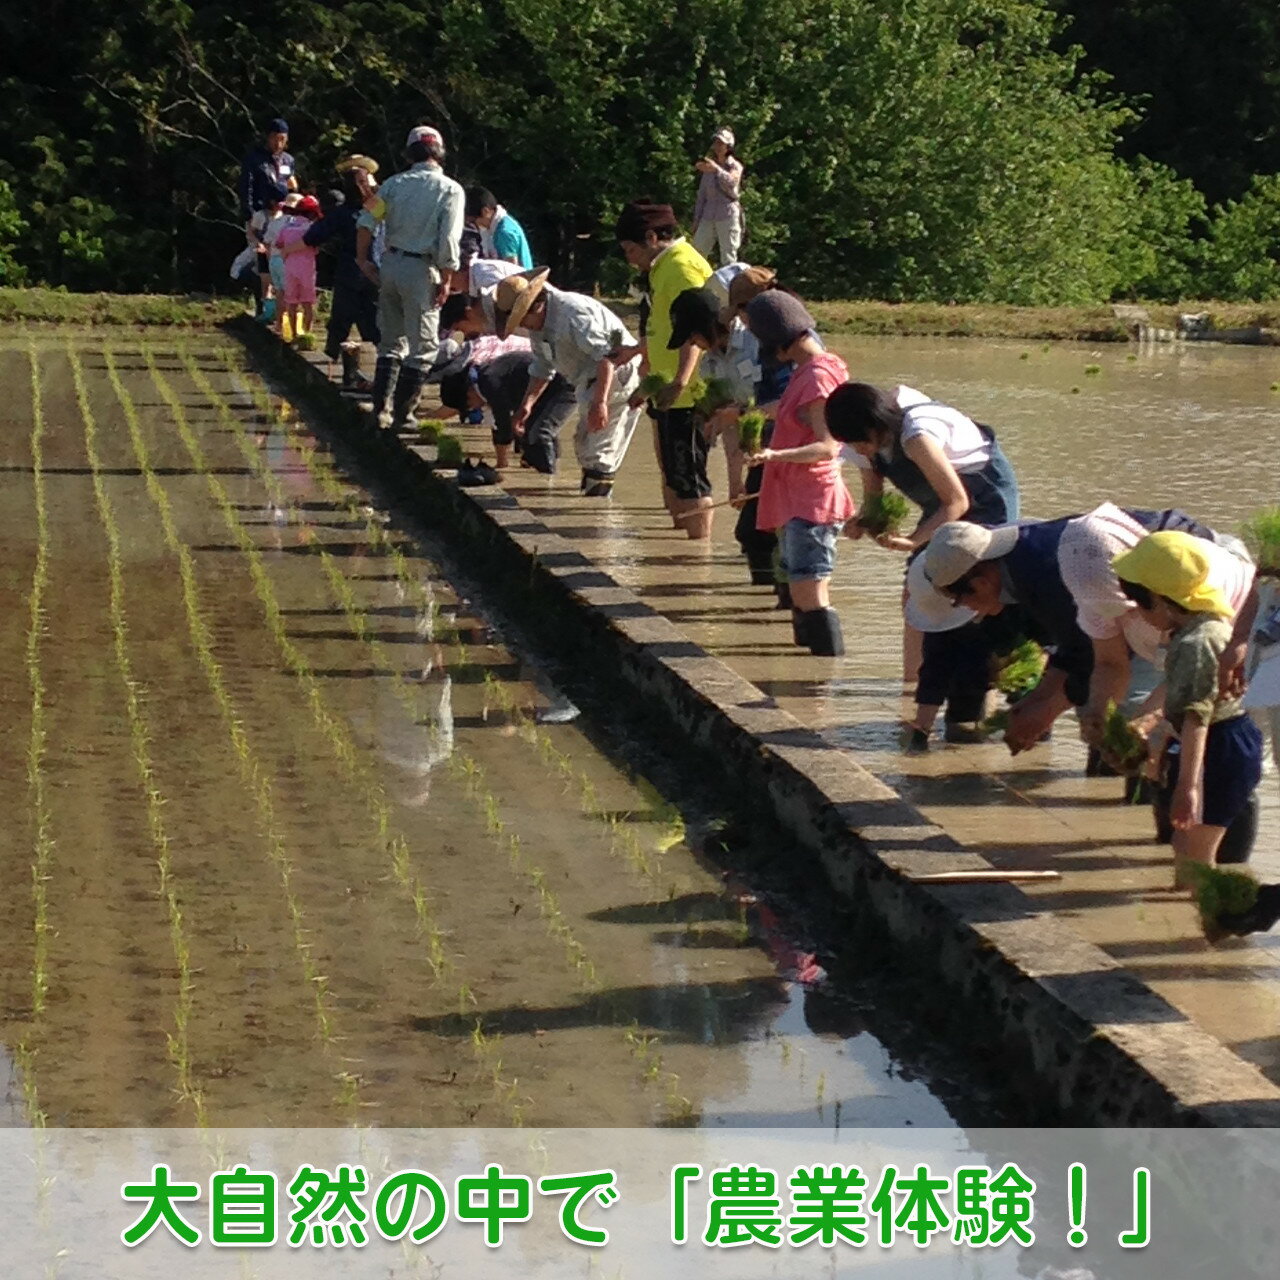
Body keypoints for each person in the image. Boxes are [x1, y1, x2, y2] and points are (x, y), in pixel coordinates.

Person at [906, 505, 1259, 756]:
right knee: (1114, 723)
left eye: (958, 601)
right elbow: (1095, 658)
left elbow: (1098, 657)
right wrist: (1087, 715)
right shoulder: (1023, 572)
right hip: (1171, 608)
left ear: (981, 581)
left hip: (1215, 587)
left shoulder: (1059, 574)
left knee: (1192, 735)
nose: (965, 611)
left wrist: (1050, 711)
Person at [825, 382, 1021, 743]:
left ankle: (983, 701)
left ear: (874, 427)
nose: (856, 450)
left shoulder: (916, 435)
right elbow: (873, 499)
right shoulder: (867, 447)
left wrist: (915, 542)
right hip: (941, 506)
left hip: (983, 498)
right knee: (916, 596)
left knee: (977, 601)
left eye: (858, 441)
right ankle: (917, 695)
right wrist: (863, 521)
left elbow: (956, 502)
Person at [1113, 532, 1264, 887]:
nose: (1134, 609)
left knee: (1195, 856)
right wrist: (1147, 726)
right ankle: (1190, 917)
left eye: (1138, 599)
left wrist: (1187, 788)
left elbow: (1197, 717)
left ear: (1162, 600)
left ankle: (1215, 922)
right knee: (1186, 848)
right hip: (1214, 742)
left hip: (1221, 746)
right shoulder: (1198, 626)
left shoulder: (1197, 642)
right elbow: (1178, 696)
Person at [743, 289, 854, 655]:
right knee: (803, 585)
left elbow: (827, 446)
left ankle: (824, 673)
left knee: (810, 589)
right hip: (799, 498)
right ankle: (812, 674)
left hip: (812, 500)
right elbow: (793, 410)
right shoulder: (815, 369)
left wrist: (774, 454)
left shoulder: (817, 378)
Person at [494, 267, 642, 496]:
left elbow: (608, 357)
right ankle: (593, 503)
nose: (523, 326)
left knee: (599, 453)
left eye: (523, 319)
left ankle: (597, 512)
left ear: (537, 305)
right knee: (583, 445)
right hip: (587, 380)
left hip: (616, 375)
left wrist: (600, 403)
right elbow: (542, 367)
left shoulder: (573, 314)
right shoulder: (538, 325)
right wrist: (527, 405)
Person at [615, 201, 714, 537]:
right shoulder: (661, 268)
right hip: (666, 388)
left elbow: (699, 330)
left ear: (651, 236)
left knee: (691, 480)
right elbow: (661, 328)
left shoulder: (683, 267)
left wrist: (681, 382)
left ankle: (697, 557)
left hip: (686, 394)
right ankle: (678, 546)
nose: (628, 258)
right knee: (673, 473)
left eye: (630, 249)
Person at [358, 125, 465, 429]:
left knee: (390, 342)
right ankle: (404, 413)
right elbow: (448, 241)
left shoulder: (392, 185)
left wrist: (363, 259)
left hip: (391, 264)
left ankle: (381, 409)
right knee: (424, 346)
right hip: (422, 269)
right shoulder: (450, 189)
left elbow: (366, 221)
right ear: (440, 153)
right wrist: (446, 278)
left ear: (411, 153)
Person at [665, 284, 771, 577]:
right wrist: (736, 482)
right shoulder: (711, 363)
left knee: (757, 532)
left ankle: (780, 595)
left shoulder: (754, 339)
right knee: (752, 533)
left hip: (788, 440)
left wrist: (739, 413)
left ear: (709, 326)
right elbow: (729, 425)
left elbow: (780, 399)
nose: (694, 345)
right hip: (758, 446)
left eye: (692, 336)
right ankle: (769, 595)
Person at [437, 343, 577, 475]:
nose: (475, 408)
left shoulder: (489, 383)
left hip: (565, 385)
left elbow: (503, 425)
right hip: (547, 388)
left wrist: (501, 465)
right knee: (536, 431)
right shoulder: (486, 375)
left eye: (469, 406)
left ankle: (548, 480)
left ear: (468, 393)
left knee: (542, 432)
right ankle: (548, 469)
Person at [303, 161, 382, 389]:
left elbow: (313, 236)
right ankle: (361, 375)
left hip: (359, 274)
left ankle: (336, 373)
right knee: (370, 326)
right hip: (368, 275)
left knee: (345, 323)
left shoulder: (346, 213)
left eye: (363, 182)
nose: (362, 187)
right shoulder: (374, 209)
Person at [238, 118, 298, 316]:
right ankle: (261, 303)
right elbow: (246, 186)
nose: (278, 143)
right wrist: (248, 212)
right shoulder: (255, 159)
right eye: (275, 138)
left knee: (279, 259)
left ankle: (277, 306)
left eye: (282, 139)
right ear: (268, 137)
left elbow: (292, 185)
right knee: (261, 258)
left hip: (282, 215)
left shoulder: (288, 160)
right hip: (259, 213)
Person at [692, 128, 744, 266]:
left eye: (721, 143)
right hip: (708, 216)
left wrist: (717, 170)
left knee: (728, 256)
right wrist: (696, 220)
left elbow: (732, 181)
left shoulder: (735, 166)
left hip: (727, 215)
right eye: (716, 142)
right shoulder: (708, 169)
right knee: (696, 253)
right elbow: (702, 195)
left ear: (728, 147)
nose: (718, 146)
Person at [274, 194, 321, 341]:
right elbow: (317, 247)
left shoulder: (287, 226)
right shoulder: (312, 228)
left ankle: (294, 334)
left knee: (291, 302)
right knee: (308, 303)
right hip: (307, 268)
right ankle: (307, 334)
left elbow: (279, 244)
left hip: (289, 268)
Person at [466, 188, 534, 269]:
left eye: (473, 221)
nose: (473, 225)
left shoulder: (504, 233)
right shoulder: (495, 227)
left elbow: (512, 272)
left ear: (485, 211)